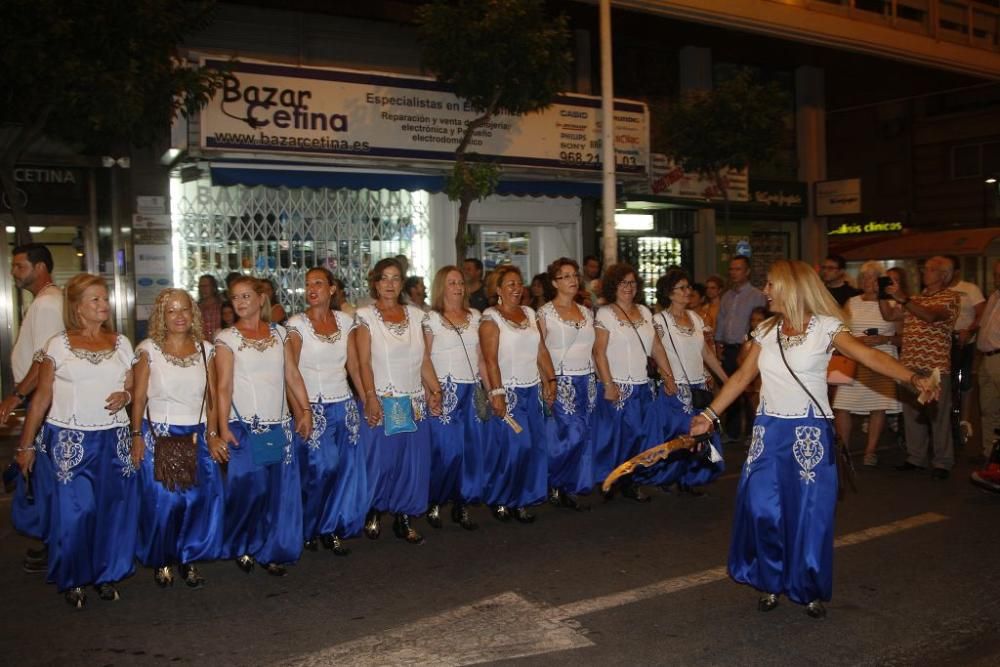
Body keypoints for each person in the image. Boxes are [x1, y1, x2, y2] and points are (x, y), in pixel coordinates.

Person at [690, 260, 938, 619]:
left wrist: (913, 380)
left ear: (792, 286)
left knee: (808, 512)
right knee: (760, 508)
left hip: (809, 431)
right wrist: (708, 416)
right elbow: (743, 376)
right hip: (769, 430)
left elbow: (867, 355)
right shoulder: (765, 330)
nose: (766, 291)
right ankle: (769, 579)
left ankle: (806, 587)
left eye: (772, 284)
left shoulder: (825, 328)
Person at [16, 273, 137, 608]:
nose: (104, 305)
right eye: (95, 299)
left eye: (104, 298)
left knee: (111, 510)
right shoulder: (59, 344)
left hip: (114, 441)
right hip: (70, 441)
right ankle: (74, 576)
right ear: (78, 308)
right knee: (76, 512)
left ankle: (106, 574)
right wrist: (25, 445)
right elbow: (41, 399)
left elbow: (133, 387)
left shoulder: (122, 343)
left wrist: (125, 395)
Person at [215, 276, 312, 576]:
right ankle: (245, 543)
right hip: (244, 427)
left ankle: (273, 551)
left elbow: (292, 374)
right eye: (235, 297)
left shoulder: (280, 334)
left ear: (261, 299)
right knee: (248, 491)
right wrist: (221, 429)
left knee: (278, 493)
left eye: (246, 296)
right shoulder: (226, 339)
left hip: (279, 427)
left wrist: (305, 410)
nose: (241, 302)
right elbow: (223, 387)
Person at [130, 288, 224, 589]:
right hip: (160, 435)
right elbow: (140, 397)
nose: (179, 316)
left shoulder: (206, 349)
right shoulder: (149, 350)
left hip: (196, 435)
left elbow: (212, 397)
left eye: (184, 309)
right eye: (171, 310)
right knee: (165, 504)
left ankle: (188, 557)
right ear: (161, 316)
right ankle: (162, 559)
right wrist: (136, 436)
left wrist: (212, 433)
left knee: (195, 502)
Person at [356, 258, 443, 544]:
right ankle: (374, 510)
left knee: (411, 463)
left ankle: (404, 517)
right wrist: (369, 396)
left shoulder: (416, 315)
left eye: (395, 278)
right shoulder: (366, 316)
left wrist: (435, 389)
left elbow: (423, 359)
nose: (390, 284)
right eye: (384, 278)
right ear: (375, 283)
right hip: (384, 399)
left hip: (414, 401)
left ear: (401, 283)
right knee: (382, 462)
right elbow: (363, 362)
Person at [286, 267, 367, 556]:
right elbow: (290, 371)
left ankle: (330, 528)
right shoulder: (297, 324)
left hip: (344, 405)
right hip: (313, 406)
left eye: (318, 283)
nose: (312, 289)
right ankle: (309, 525)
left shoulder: (346, 322)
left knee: (344, 471)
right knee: (320, 470)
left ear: (332, 289)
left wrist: (367, 397)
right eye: (308, 284)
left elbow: (354, 366)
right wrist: (300, 411)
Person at [1, 243, 63, 573]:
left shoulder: (50, 303)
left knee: (44, 474)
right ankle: (49, 538)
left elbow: (45, 359)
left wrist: (18, 396)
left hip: (44, 401)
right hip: (39, 399)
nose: (14, 273)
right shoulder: (43, 302)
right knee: (38, 474)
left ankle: (53, 540)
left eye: (20, 266)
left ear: (40, 268)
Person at [480, 264, 556, 523]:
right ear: (498, 289)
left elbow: (541, 350)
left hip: (531, 390)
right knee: (513, 449)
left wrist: (550, 379)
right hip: (509, 392)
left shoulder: (529, 313)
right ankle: (502, 497)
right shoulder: (491, 318)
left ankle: (522, 499)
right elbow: (490, 361)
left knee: (533, 447)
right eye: (510, 284)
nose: (516, 288)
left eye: (518, 283)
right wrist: (497, 393)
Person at [592, 263, 673, 502]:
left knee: (639, 437)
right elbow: (599, 352)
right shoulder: (606, 313)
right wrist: (608, 385)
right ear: (613, 286)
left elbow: (656, 347)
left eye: (631, 282)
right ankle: (610, 480)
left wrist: (668, 376)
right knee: (614, 439)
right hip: (617, 385)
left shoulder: (646, 313)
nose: (628, 287)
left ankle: (631, 481)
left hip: (642, 386)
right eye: (622, 283)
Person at [642, 270, 728, 494]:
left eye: (688, 287)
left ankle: (692, 478)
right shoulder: (659, 320)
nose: (688, 291)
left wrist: (727, 380)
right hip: (675, 388)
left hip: (698, 386)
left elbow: (707, 354)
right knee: (677, 435)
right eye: (682, 288)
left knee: (700, 434)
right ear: (669, 293)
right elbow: (656, 352)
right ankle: (669, 476)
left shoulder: (697, 318)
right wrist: (667, 377)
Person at [882, 256, 961, 479]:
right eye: (924, 268)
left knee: (937, 415)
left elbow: (931, 316)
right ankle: (915, 458)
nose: (924, 272)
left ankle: (942, 462)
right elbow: (889, 315)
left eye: (929, 269)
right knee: (913, 413)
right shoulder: (915, 298)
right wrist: (883, 294)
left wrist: (904, 299)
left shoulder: (951, 297)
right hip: (910, 365)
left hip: (936, 367)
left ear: (943, 275)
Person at [422, 265, 486, 530]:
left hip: (471, 390)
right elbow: (423, 358)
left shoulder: (476, 316)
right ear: (441, 287)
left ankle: (462, 503)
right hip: (444, 389)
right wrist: (432, 392)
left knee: (470, 451)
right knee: (446, 451)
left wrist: (492, 389)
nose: (458, 286)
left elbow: (483, 357)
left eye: (460, 282)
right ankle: (435, 500)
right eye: (451, 282)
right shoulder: (431, 319)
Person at [537, 258, 596, 510]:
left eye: (575, 275)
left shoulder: (586, 311)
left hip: (587, 379)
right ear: (554, 282)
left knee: (584, 436)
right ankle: (552, 479)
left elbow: (593, 348)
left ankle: (569, 486)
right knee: (568, 435)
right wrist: (546, 382)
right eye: (565, 276)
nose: (572, 280)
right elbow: (538, 351)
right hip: (561, 380)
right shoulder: (544, 313)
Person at [832, 262, 902, 467]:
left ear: (881, 280)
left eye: (872, 277)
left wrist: (884, 339)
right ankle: (843, 448)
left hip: (881, 358)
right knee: (841, 405)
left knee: (877, 406)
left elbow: (903, 338)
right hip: (851, 358)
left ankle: (870, 450)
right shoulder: (851, 302)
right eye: (864, 277)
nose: (867, 281)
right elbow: (840, 330)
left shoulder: (892, 305)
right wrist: (853, 342)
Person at [714, 256, 767, 440]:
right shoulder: (727, 296)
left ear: (747, 272)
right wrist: (718, 344)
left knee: (752, 393)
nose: (733, 273)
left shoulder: (757, 295)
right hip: (729, 349)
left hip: (750, 348)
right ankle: (733, 432)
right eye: (731, 269)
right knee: (730, 388)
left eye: (738, 269)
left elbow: (762, 320)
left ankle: (756, 431)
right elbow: (721, 321)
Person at [944, 256, 985, 445]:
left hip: (965, 341)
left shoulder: (970, 289)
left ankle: (965, 421)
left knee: (965, 380)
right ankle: (946, 420)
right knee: (946, 382)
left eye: (947, 269)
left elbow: (981, 313)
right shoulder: (937, 290)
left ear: (956, 271)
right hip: (944, 341)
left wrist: (969, 331)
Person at [977, 260, 1000, 459]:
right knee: (988, 410)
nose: (997, 278)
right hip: (986, 358)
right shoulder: (994, 296)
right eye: (995, 273)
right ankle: (990, 455)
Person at [197, 274, 224, 341]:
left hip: (221, 346)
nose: (202, 289)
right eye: (200, 286)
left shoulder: (222, 306)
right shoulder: (196, 308)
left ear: (214, 288)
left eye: (206, 286)